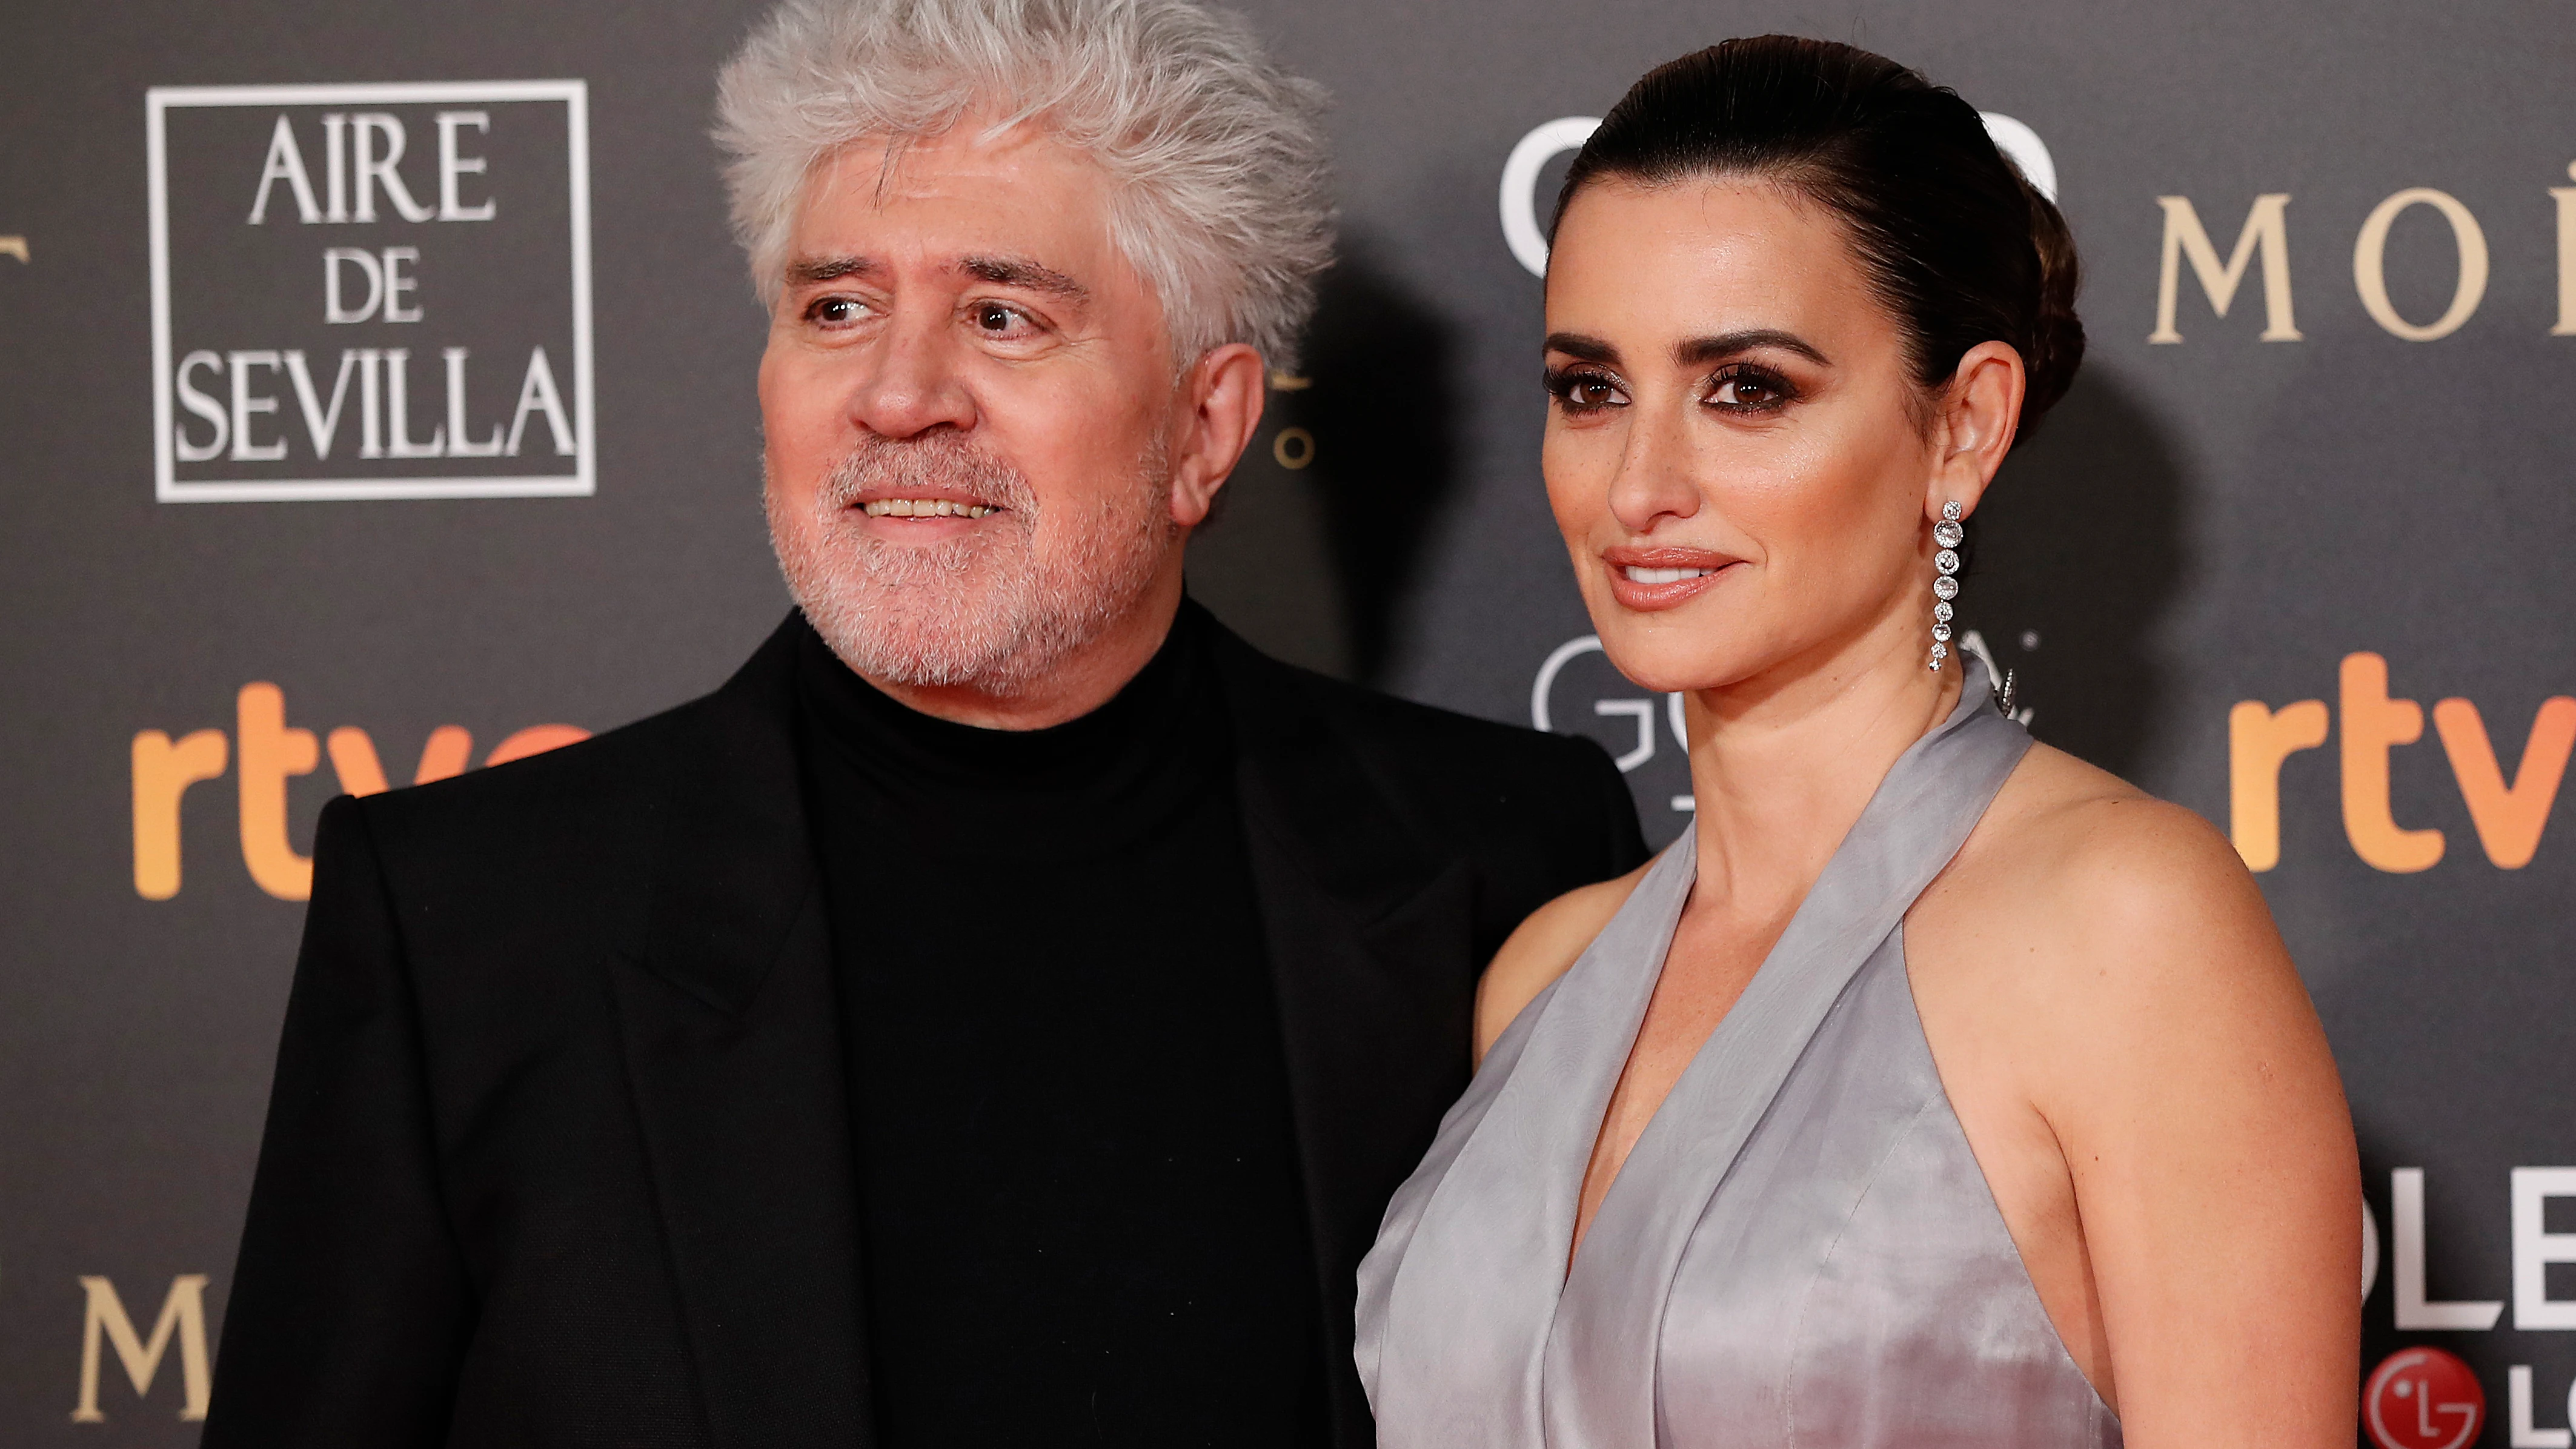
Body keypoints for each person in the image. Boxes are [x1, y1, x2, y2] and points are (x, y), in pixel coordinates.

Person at [199, 2, 1646, 1446]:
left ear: (1203, 429)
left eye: (1002, 313)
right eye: (836, 307)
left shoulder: (1504, 869)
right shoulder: (470, 925)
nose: (895, 396)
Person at [1356, 36, 2359, 1449]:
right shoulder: (1544, 973)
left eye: (1745, 387)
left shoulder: (2123, 926)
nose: (1639, 484)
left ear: (1961, 427)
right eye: (1589, 388)